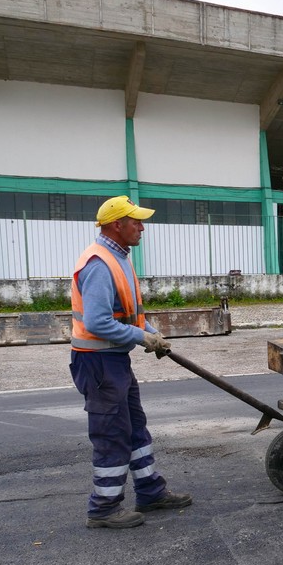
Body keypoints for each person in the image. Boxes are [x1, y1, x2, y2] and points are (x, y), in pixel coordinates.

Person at [70, 195, 192, 529]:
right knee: (112, 434)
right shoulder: (98, 263)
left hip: (114, 361)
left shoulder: (119, 257)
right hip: (97, 363)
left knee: (135, 427)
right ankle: (104, 508)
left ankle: (151, 491)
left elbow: (128, 314)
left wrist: (152, 332)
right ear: (115, 225)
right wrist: (142, 339)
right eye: (135, 221)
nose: (142, 227)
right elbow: (96, 322)